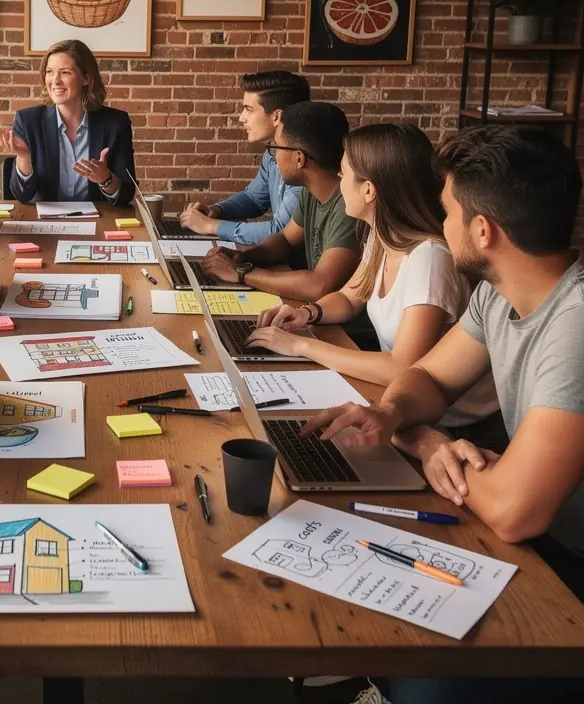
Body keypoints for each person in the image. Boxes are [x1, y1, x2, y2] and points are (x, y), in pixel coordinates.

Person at [303, 125, 584, 704]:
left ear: (484, 230)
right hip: (535, 529)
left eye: (448, 210)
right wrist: (390, 416)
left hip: (566, 559)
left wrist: (425, 444)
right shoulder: (500, 289)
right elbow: (428, 376)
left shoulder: (575, 323)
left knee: (420, 675)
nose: (440, 222)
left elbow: (512, 511)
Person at [246, 123, 502, 449]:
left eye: (343, 175)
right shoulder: (383, 237)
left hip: (456, 432)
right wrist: (307, 314)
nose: (338, 184)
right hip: (406, 413)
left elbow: (402, 366)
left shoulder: (429, 260)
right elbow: (350, 297)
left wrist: (301, 346)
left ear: (369, 190)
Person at [200, 101, 362, 303]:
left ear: (299, 158)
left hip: (340, 328)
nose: (274, 157)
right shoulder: (312, 191)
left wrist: (241, 273)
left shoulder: (350, 207)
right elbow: (285, 239)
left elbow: (319, 285)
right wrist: (242, 257)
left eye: (276, 148)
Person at [0, 39, 136, 206]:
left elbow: (127, 194)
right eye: (49, 72)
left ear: (86, 78)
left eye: (65, 72)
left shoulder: (115, 123)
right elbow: (22, 196)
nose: (55, 81)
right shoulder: (28, 121)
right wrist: (24, 157)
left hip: (98, 223)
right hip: (45, 224)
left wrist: (106, 179)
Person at [179, 69, 309, 243]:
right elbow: (254, 199)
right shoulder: (273, 151)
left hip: (291, 266)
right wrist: (218, 210)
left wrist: (211, 226)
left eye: (249, 109)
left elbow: (281, 231)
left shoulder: (304, 164)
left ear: (277, 116)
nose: (241, 118)